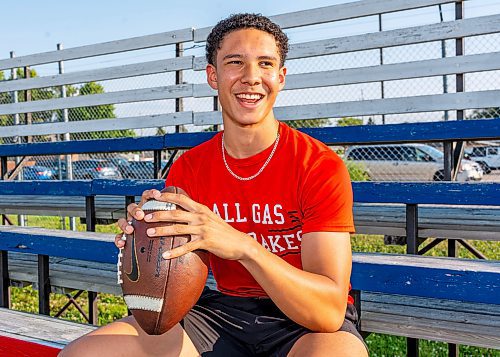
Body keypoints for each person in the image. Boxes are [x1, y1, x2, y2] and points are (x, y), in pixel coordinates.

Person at [61, 13, 368, 357]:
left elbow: (327, 311)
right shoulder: (189, 168)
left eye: (265, 64)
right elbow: (170, 261)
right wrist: (146, 236)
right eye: (235, 62)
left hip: (303, 323)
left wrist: (243, 246)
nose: (252, 78)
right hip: (221, 313)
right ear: (213, 75)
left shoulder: (319, 165)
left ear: (280, 78)